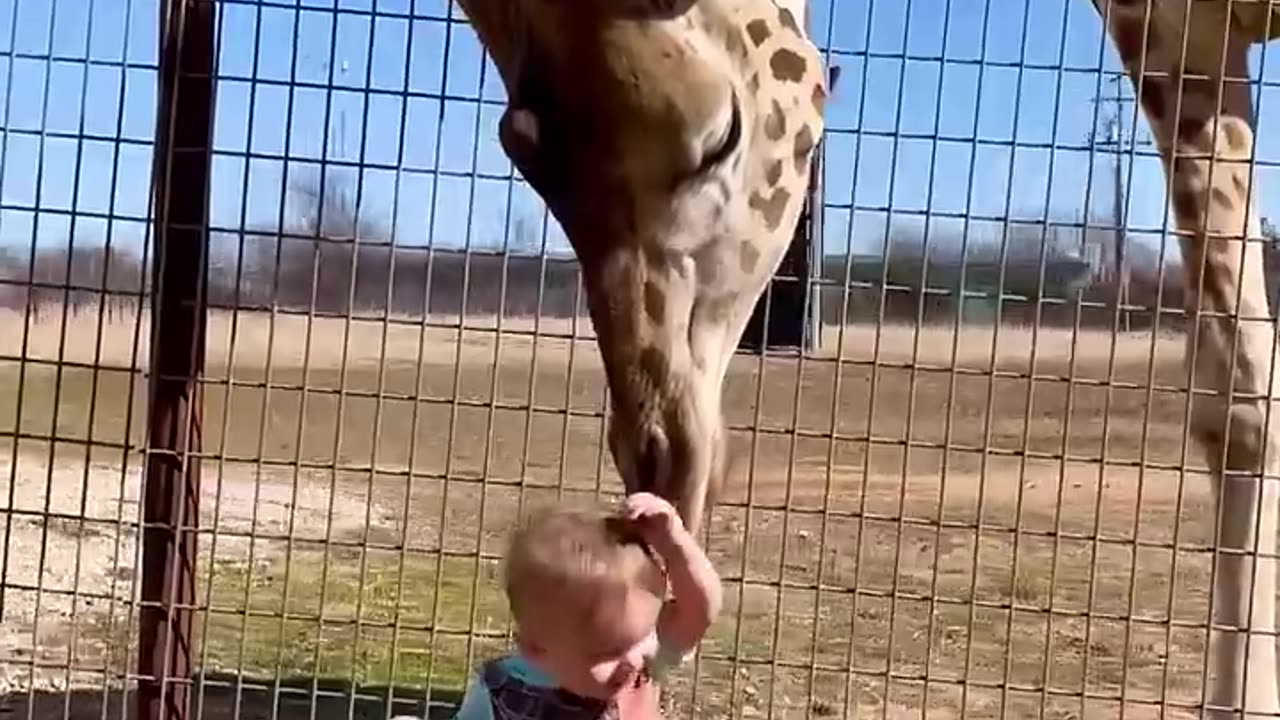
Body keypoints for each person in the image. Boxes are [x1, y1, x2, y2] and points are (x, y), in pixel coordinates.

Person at [451, 491, 722, 720]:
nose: (631, 661)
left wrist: (675, 543)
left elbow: (699, 609)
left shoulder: (645, 659)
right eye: (607, 651)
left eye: (641, 636)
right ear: (537, 650)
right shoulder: (500, 696)